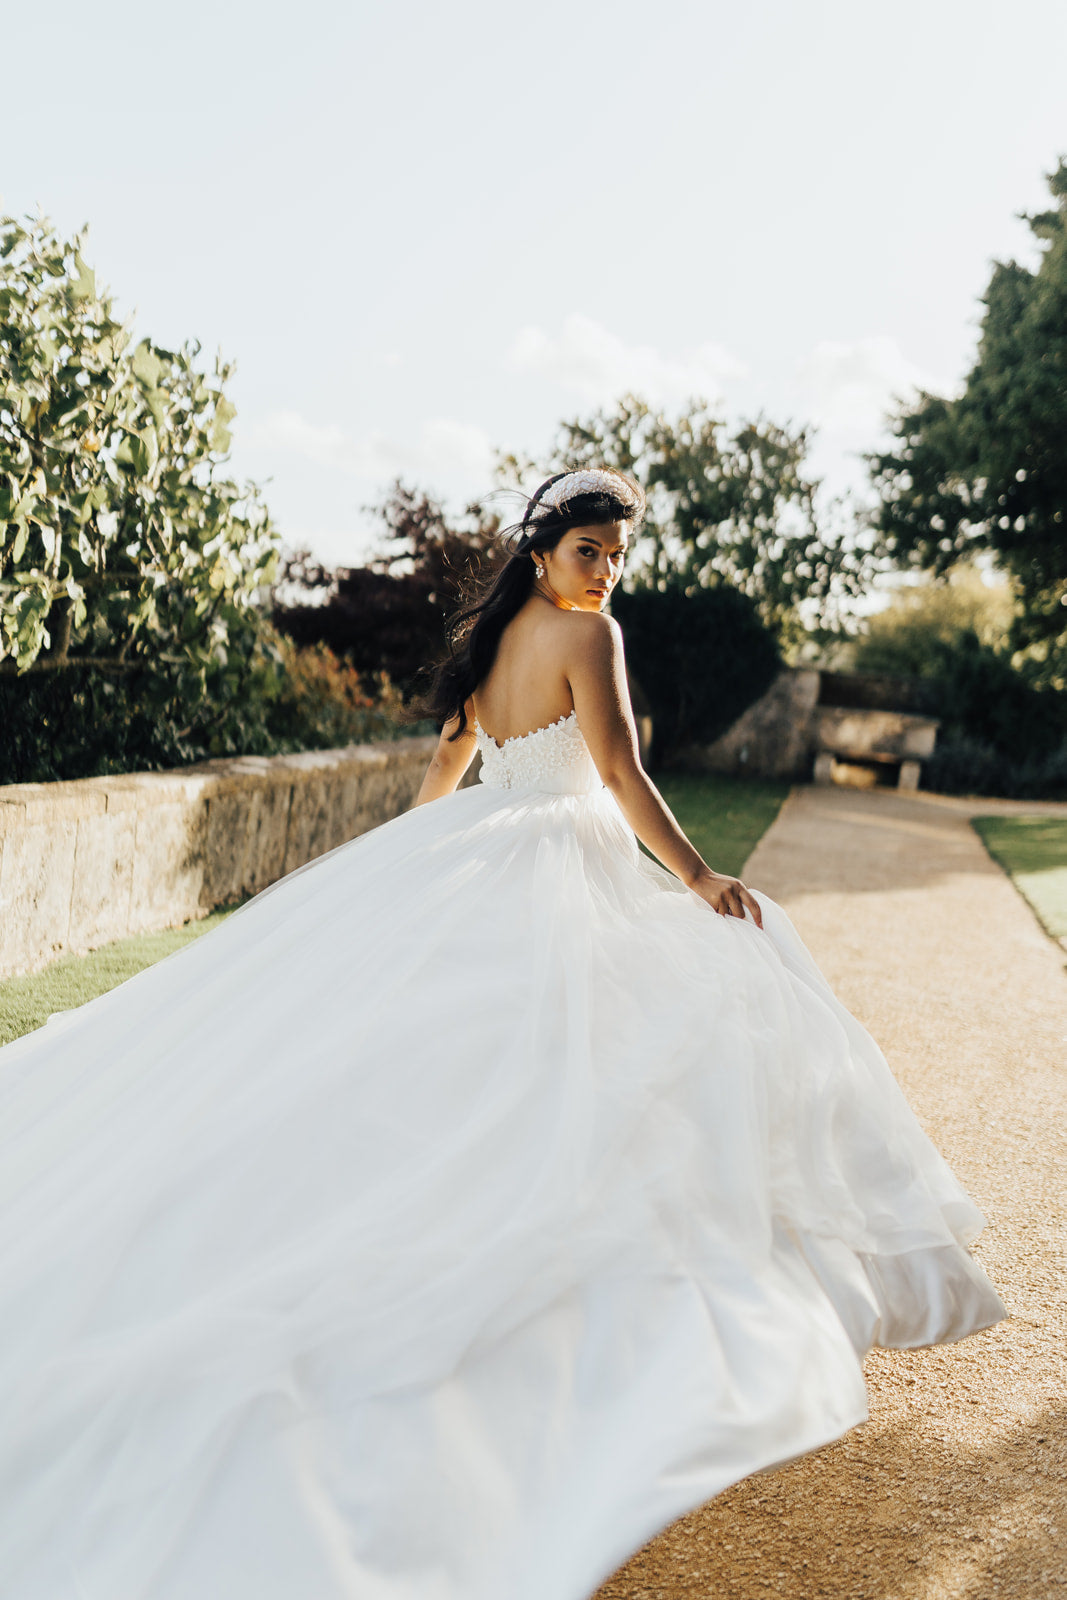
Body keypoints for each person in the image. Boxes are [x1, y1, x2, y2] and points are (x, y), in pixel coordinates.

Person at [0, 467, 1006, 1600]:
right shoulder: (590, 638)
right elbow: (619, 772)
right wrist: (695, 876)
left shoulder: (497, 637)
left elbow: (450, 760)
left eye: (617, 555)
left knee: (481, 1062)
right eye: (590, 550)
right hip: (555, 864)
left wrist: (410, 861)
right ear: (543, 551)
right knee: (597, 1056)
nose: (606, 572)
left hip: (491, 843)